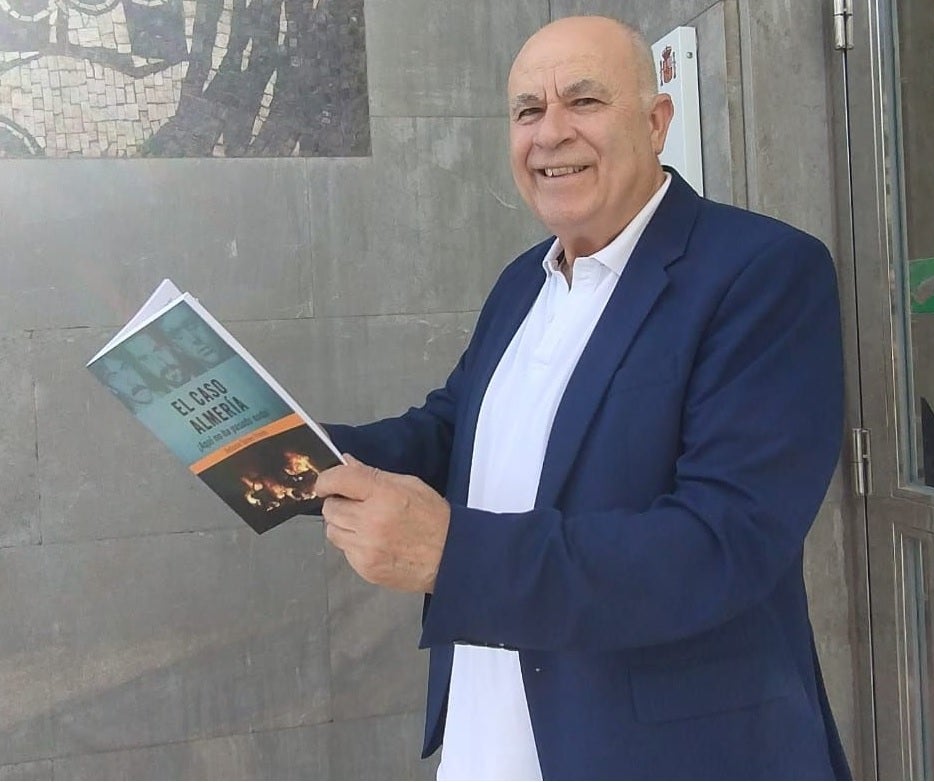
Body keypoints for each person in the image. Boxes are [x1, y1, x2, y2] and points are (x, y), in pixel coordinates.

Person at [314, 14, 849, 780]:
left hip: (667, 756)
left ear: (657, 121)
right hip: (490, 736)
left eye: (584, 102)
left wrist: (454, 554)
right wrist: (294, 451)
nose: (549, 133)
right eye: (528, 110)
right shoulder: (522, 283)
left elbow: (719, 544)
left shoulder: (762, 274)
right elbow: (450, 433)